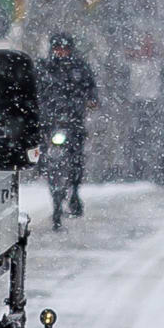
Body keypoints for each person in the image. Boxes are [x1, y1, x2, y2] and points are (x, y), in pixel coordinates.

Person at [38, 30, 101, 218]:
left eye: (64, 48)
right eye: (57, 48)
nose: (61, 52)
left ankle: (74, 190)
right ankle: (44, 172)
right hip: (50, 121)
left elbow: (91, 90)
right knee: (42, 149)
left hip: (73, 120)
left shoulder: (80, 68)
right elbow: (36, 89)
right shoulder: (45, 68)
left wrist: (90, 100)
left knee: (76, 156)